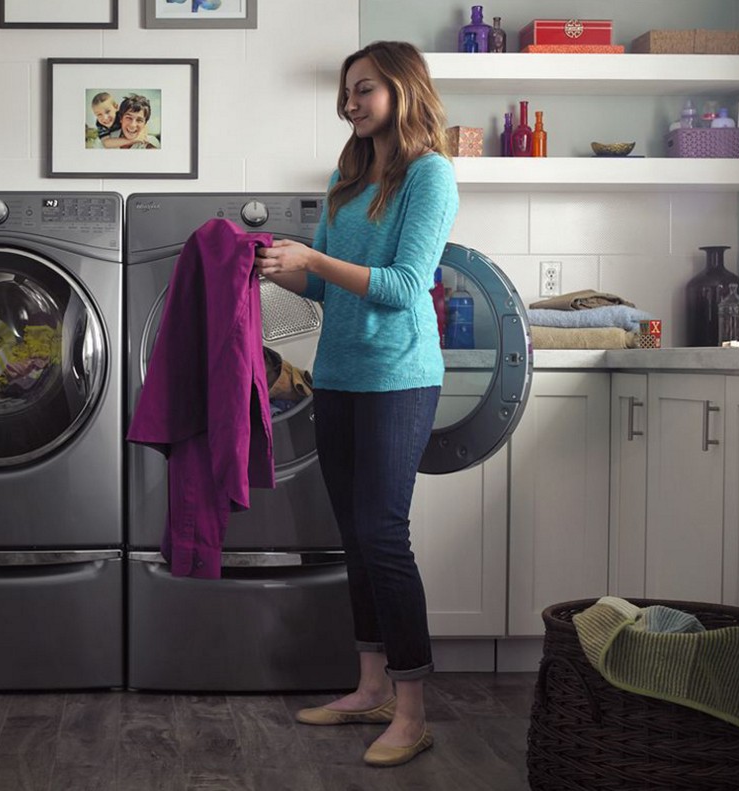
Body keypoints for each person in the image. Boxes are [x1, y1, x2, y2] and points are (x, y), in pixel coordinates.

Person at [253, 40, 458, 768]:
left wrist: (312, 260)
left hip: (399, 378)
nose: (351, 101)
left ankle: (412, 710)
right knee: (355, 535)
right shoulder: (347, 176)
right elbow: (323, 285)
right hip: (338, 376)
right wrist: (280, 267)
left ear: (403, 89)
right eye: (347, 91)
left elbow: (404, 285)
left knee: (382, 534)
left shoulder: (430, 176)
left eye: (364, 88)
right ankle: (369, 686)